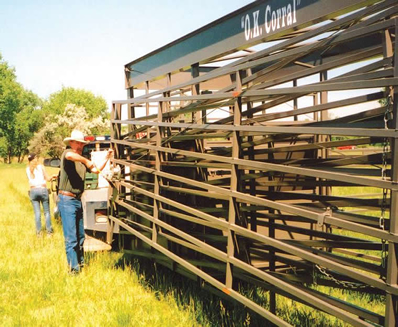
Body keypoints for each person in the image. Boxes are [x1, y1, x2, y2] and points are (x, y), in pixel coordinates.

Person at [58, 130, 112, 274]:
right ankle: (73, 271)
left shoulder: (81, 160)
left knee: (80, 236)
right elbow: (71, 156)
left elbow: (95, 170)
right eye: (78, 143)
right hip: (67, 199)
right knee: (71, 238)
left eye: (82, 143)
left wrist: (106, 158)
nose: (80, 146)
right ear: (71, 143)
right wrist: (85, 160)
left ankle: (80, 265)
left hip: (76, 200)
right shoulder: (67, 154)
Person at [26, 153, 54, 237]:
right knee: (46, 212)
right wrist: (52, 176)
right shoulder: (41, 167)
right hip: (42, 189)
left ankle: (39, 233)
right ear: (35, 159)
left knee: (37, 213)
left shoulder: (27, 169)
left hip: (33, 191)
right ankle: (49, 232)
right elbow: (48, 178)